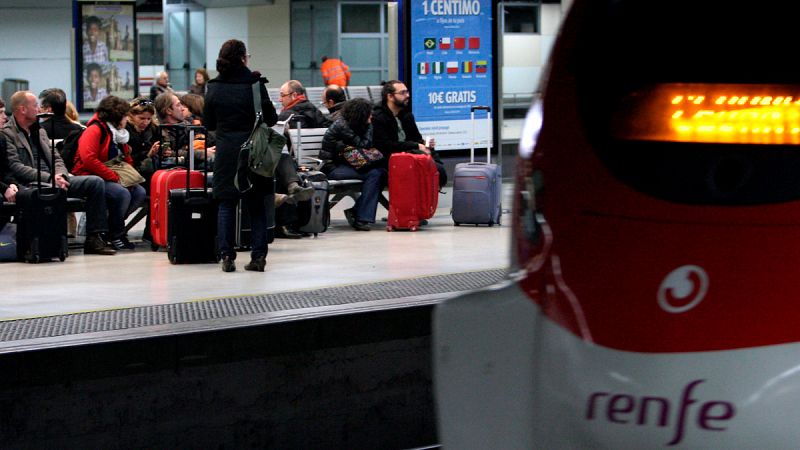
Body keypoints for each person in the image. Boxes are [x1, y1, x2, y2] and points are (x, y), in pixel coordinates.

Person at [1, 91, 116, 255]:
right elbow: (16, 166)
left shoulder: (40, 131)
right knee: (40, 191)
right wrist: (50, 178)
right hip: (31, 183)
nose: (40, 109)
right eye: (35, 105)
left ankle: (94, 237)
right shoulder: (7, 134)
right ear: (22, 109)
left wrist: (61, 175)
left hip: (55, 179)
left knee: (95, 182)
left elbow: (57, 158)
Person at [204, 39, 277, 272]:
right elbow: (272, 118)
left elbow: (209, 123)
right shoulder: (255, 84)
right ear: (244, 58)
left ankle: (227, 256)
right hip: (254, 151)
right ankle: (257, 258)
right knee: (256, 205)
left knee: (226, 204)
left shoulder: (214, 86)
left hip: (227, 151)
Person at [72, 95, 146, 251]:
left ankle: (113, 226)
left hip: (109, 175)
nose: (127, 119)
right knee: (121, 194)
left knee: (139, 192)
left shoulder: (117, 133)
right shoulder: (95, 130)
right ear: (117, 117)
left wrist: (129, 178)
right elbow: (89, 159)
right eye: (125, 115)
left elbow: (125, 158)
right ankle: (117, 233)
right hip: (90, 176)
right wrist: (115, 177)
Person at [321, 98, 387, 231]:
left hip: (352, 165)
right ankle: (360, 217)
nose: (371, 116)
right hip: (333, 168)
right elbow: (364, 145)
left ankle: (358, 213)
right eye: (368, 113)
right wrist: (369, 126)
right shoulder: (342, 126)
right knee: (376, 174)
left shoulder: (358, 124)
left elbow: (365, 146)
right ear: (360, 115)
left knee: (379, 173)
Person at [372, 80, 447, 188]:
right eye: (402, 93)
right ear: (390, 96)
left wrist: (425, 143)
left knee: (434, 164)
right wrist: (416, 145)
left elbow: (416, 138)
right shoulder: (378, 117)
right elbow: (385, 145)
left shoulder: (406, 116)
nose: (407, 95)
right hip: (390, 159)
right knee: (431, 167)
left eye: (407, 92)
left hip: (409, 155)